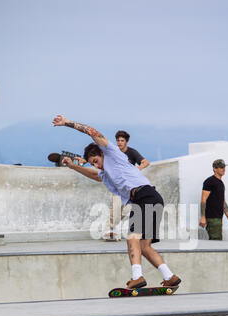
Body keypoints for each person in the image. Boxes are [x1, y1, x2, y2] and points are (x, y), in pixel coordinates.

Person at [52, 114, 181, 289]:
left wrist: (67, 123)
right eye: (93, 163)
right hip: (151, 198)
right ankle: (170, 276)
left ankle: (137, 277)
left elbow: (92, 131)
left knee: (132, 238)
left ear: (101, 153)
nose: (96, 165)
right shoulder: (105, 173)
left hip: (144, 196)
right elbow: (94, 175)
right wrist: (73, 166)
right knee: (144, 246)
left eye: (96, 161)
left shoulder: (112, 153)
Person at [103, 130, 150, 241]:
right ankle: (108, 232)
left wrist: (138, 168)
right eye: (118, 140)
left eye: (122, 141)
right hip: (118, 186)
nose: (119, 143)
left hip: (130, 188)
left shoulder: (132, 152)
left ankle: (111, 230)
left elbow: (146, 162)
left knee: (126, 210)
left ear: (126, 142)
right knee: (115, 209)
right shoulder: (113, 152)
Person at [199, 159, 228, 240]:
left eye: (224, 167)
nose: (224, 169)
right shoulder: (209, 182)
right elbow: (203, 200)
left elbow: (223, 203)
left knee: (217, 241)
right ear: (215, 169)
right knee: (216, 242)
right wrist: (202, 217)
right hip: (212, 218)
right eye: (221, 167)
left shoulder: (221, 183)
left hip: (219, 218)